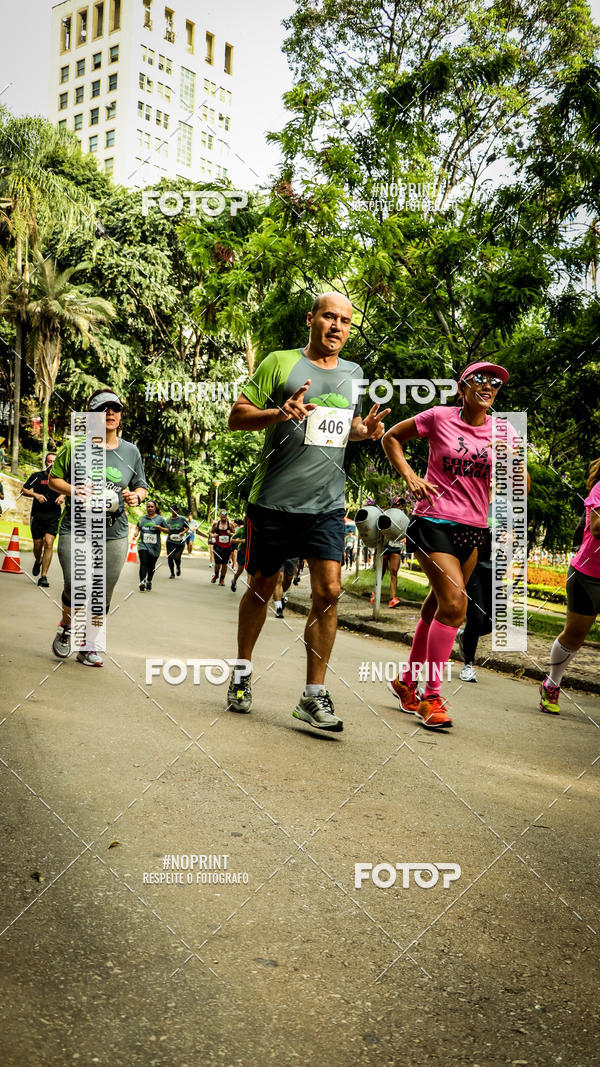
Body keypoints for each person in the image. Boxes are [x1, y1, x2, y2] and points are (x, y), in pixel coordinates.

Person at [225, 291, 389, 731]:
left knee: (330, 592)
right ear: (311, 320)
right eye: (328, 317)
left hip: (327, 504)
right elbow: (236, 417)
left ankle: (313, 695)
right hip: (273, 500)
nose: (337, 327)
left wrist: (364, 431)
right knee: (261, 587)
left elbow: (342, 430)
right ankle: (241, 673)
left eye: (345, 321)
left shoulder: (354, 373)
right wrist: (277, 413)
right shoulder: (280, 362)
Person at [382, 360, 527, 730]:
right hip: (433, 521)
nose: (488, 385)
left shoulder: (502, 430)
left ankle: (406, 682)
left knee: (435, 607)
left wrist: (515, 472)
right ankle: (431, 695)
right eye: (479, 379)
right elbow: (391, 438)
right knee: (455, 605)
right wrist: (411, 475)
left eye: (495, 382)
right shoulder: (438, 417)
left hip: (473, 530)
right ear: (462, 387)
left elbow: (520, 482)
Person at [48, 389, 147, 666]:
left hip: (114, 532)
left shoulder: (131, 451)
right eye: (104, 410)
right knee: (75, 584)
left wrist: (136, 496)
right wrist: (75, 490)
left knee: (103, 591)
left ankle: (89, 644)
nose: (111, 414)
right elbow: (54, 480)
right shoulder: (76, 447)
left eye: (115, 408)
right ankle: (67, 627)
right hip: (76, 527)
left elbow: (141, 485)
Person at [539, 458, 600, 714]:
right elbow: (596, 528)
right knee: (574, 636)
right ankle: (552, 683)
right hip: (588, 574)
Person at [22, 452, 65, 587]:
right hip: (37, 515)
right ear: (45, 462)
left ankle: (44, 576)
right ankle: (38, 560)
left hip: (53, 515)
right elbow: (23, 490)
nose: (51, 463)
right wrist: (35, 494)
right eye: (49, 461)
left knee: (49, 543)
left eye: (54, 461)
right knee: (37, 545)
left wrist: (63, 495)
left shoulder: (61, 478)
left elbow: (71, 490)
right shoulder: (37, 476)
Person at [135, 500, 169, 591]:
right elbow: (138, 526)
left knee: (151, 565)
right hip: (143, 544)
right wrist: (136, 532)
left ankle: (149, 581)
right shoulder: (142, 518)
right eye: (148, 506)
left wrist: (160, 528)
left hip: (155, 546)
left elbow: (168, 531)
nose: (149, 508)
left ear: (155, 508)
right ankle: (142, 582)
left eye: (152, 506)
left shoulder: (160, 519)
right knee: (143, 563)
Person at [211, 509, 235, 586]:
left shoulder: (230, 525)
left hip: (227, 547)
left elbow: (235, 534)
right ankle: (216, 575)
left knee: (224, 564)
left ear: (226, 516)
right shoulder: (215, 524)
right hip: (217, 547)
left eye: (225, 515)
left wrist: (230, 533)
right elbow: (211, 533)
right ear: (220, 515)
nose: (224, 516)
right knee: (217, 564)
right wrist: (213, 535)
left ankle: (222, 579)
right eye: (222, 515)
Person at [166, 507, 190, 578]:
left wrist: (183, 532)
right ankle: (172, 573)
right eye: (173, 510)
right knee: (170, 557)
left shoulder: (182, 519)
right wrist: (167, 529)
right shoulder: (168, 520)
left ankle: (178, 567)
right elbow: (165, 528)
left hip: (180, 542)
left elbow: (188, 527)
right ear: (171, 510)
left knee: (177, 557)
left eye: (176, 509)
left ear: (178, 510)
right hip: (170, 541)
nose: (174, 511)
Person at [231, 519, 246, 592]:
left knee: (250, 572)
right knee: (240, 570)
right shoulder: (241, 530)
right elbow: (232, 539)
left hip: (251, 552)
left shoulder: (255, 531)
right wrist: (240, 541)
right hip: (242, 551)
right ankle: (234, 581)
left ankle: (249, 590)